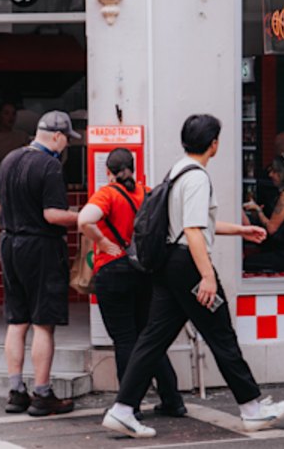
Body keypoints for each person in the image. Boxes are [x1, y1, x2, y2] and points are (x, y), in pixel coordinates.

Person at [101, 114, 284, 439]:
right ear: (214, 144)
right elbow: (191, 230)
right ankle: (252, 409)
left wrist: (239, 230)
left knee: (152, 339)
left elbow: (189, 224)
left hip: (169, 265)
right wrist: (207, 277)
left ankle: (121, 410)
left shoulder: (177, 171)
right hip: (189, 264)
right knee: (221, 335)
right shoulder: (198, 178)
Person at [77, 148, 186, 418]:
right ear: (134, 168)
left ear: (108, 171)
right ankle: (172, 398)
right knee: (149, 338)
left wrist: (103, 242)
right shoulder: (147, 193)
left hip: (113, 272)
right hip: (145, 271)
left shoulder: (107, 194)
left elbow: (84, 219)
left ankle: (130, 404)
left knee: (125, 339)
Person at [0, 110, 81, 417]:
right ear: (57, 137)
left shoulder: (9, 159)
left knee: (17, 322)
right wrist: (84, 218)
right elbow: (53, 215)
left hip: (10, 243)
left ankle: (16, 392)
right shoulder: (50, 166)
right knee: (44, 323)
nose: (66, 145)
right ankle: (42, 394)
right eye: (67, 140)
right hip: (41, 247)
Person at [242, 154, 284, 273]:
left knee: (246, 263)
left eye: (275, 171)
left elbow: (272, 228)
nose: (270, 175)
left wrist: (258, 211)